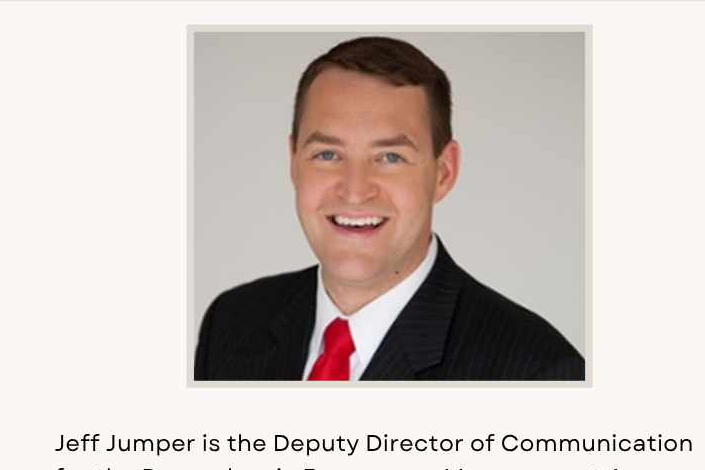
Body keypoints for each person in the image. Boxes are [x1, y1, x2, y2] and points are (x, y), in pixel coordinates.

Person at [194, 36, 583, 381]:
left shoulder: (535, 373)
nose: (355, 190)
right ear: (294, 161)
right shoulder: (231, 325)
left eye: (391, 157)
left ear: (443, 173)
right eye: (328, 153)